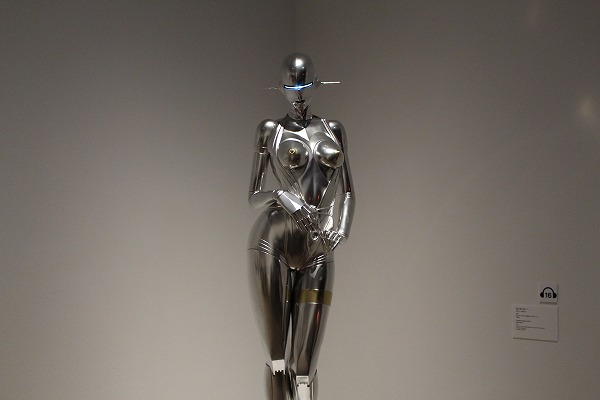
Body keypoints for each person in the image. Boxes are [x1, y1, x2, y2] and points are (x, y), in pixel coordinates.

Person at [247, 53, 355, 400]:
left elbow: (348, 191)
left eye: (305, 86)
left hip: (318, 247)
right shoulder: (270, 130)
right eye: (292, 88)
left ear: (317, 85)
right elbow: (253, 196)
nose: (299, 96)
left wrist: (342, 227)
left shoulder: (333, 129)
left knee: (305, 366)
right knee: (279, 360)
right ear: (280, 89)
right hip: (273, 243)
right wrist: (282, 195)